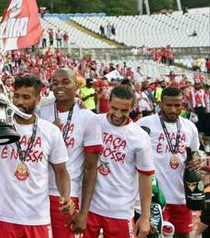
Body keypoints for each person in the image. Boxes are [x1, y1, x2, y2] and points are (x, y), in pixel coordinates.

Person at [0, 75, 73, 238]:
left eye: (26, 97)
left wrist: (65, 196)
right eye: (16, 96)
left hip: (37, 217)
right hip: (5, 215)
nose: (20, 102)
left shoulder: (50, 131)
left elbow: (61, 172)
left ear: (38, 99)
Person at [39, 68, 102, 237]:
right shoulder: (41, 111)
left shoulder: (89, 118)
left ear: (77, 85)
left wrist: (84, 212)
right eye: (55, 82)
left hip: (66, 197)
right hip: (36, 194)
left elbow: (90, 169)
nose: (60, 86)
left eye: (66, 82)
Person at [85, 85, 154, 238]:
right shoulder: (92, 122)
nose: (117, 114)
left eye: (124, 110)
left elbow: (146, 178)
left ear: (133, 107)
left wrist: (144, 217)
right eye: (114, 108)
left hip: (120, 211)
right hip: (88, 207)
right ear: (108, 101)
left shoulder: (139, 137)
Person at [137, 87, 200, 238]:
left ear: (182, 105)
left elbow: (194, 152)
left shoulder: (190, 127)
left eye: (177, 105)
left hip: (182, 196)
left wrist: (196, 160)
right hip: (155, 198)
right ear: (160, 103)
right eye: (168, 105)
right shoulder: (144, 124)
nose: (173, 109)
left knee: (183, 235)